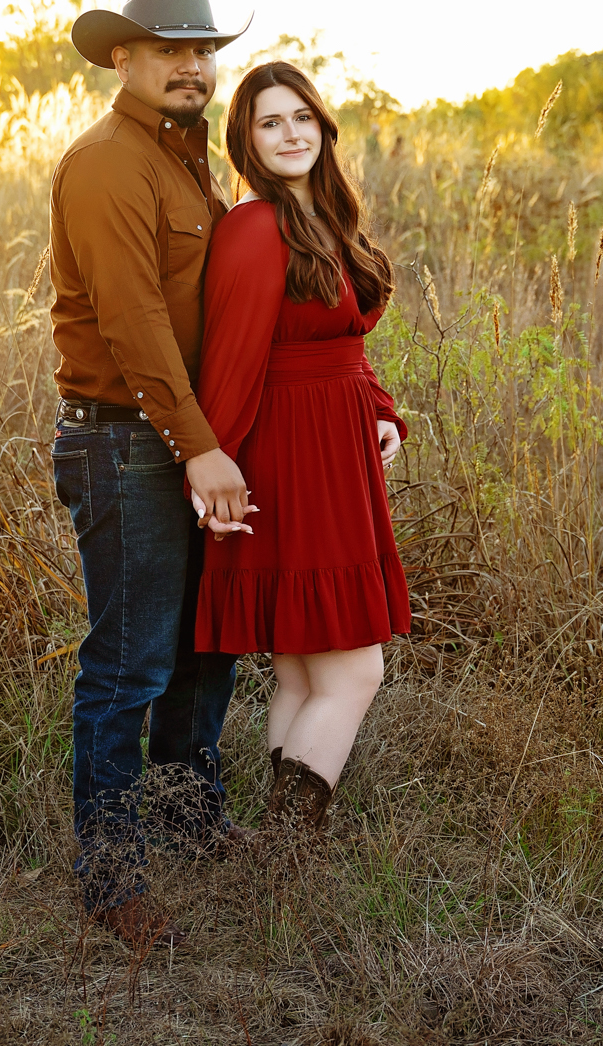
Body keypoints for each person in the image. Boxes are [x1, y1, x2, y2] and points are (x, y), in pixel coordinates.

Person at [49, 0, 256, 946]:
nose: (191, 65)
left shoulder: (186, 160)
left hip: (185, 444)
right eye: (170, 49)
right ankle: (111, 885)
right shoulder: (104, 165)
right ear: (122, 57)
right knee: (126, 670)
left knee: (201, 651)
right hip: (129, 446)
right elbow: (133, 326)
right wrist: (202, 449)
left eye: (202, 48)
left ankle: (187, 826)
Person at [192, 60, 410, 834]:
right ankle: (287, 858)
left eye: (302, 118)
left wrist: (379, 410)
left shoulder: (318, 219)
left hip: (334, 453)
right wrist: (210, 480)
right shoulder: (254, 227)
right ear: (245, 141)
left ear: (322, 127)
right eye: (270, 122)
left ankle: (272, 867)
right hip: (294, 465)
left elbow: (342, 341)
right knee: (354, 671)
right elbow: (233, 361)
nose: (291, 134)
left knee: (299, 670)